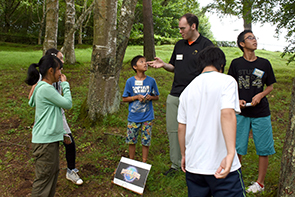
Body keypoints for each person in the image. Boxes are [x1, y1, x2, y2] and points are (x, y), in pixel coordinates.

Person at [148, 13, 214, 175]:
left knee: (196, 130)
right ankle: (176, 165)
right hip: (175, 94)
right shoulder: (179, 45)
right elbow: (174, 67)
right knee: (173, 130)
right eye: (179, 28)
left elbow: (213, 72)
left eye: (182, 28)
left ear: (193, 26)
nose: (180, 31)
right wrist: (164, 65)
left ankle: (196, 164)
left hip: (196, 97)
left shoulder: (207, 45)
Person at [177, 46, 245, 197]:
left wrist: (184, 155)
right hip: (222, 166)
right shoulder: (227, 81)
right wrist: (230, 153)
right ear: (221, 65)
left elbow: (181, 127)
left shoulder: (187, 90)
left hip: (194, 166)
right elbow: (227, 113)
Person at [228, 30, 276, 193]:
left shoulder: (264, 63)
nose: (254, 40)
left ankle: (260, 183)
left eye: (255, 37)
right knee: (237, 148)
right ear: (242, 44)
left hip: (261, 113)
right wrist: (237, 101)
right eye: (250, 38)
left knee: (263, 148)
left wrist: (261, 95)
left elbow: (270, 86)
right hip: (241, 113)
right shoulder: (236, 64)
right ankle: (236, 179)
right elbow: (231, 87)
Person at [28, 48, 83, 185]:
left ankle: (70, 170)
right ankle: (69, 171)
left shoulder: (53, 77)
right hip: (51, 121)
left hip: (58, 114)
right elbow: (32, 99)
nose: (63, 62)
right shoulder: (44, 81)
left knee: (68, 142)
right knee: (64, 145)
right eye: (60, 59)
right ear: (51, 68)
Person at [25, 55, 72, 196]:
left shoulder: (41, 87)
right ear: (51, 71)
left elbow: (47, 113)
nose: (61, 74)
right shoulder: (46, 89)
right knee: (44, 178)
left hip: (48, 140)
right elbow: (67, 104)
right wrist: (65, 85)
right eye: (59, 70)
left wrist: (61, 134)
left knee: (52, 174)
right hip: (45, 143)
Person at [122, 55, 159, 163]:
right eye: (141, 62)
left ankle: (143, 163)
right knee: (131, 140)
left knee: (146, 141)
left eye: (145, 61)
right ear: (135, 66)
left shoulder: (151, 81)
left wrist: (150, 97)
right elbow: (124, 99)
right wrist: (136, 97)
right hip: (133, 117)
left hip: (147, 117)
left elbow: (157, 96)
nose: (145, 63)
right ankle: (131, 161)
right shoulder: (130, 81)